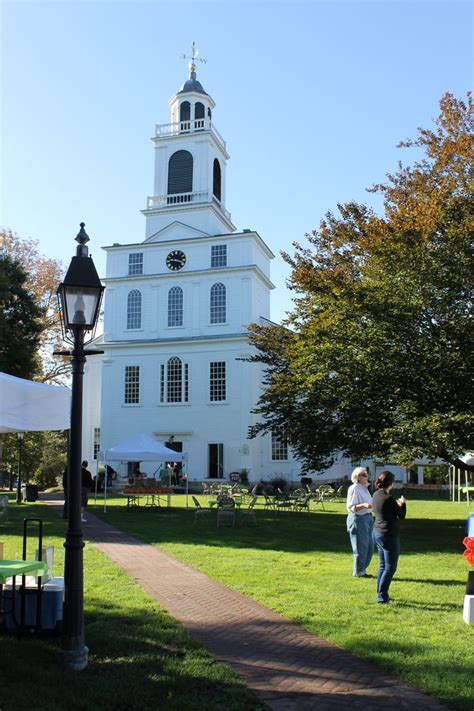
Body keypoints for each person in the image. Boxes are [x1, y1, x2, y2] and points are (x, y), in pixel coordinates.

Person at [372, 470, 407, 604]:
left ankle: (381, 593)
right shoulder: (388, 498)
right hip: (388, 535)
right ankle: (382, 597)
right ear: (391, 484)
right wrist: (403, 503)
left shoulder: (376, 494)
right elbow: (401, 515)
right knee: (390, 567)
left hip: (377, 532)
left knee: (383, 565)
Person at [346, 467, 374, 577]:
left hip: (368, 517)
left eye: (366, 474)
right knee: (360, 546)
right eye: (364, 474)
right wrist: (364, 505)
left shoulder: (364, 488)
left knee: (370, 546)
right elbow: (351, 507)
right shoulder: (354, 488)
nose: (367, 476)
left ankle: (362, 569)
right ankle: (358, 572)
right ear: (358, 477)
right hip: (358, 518)